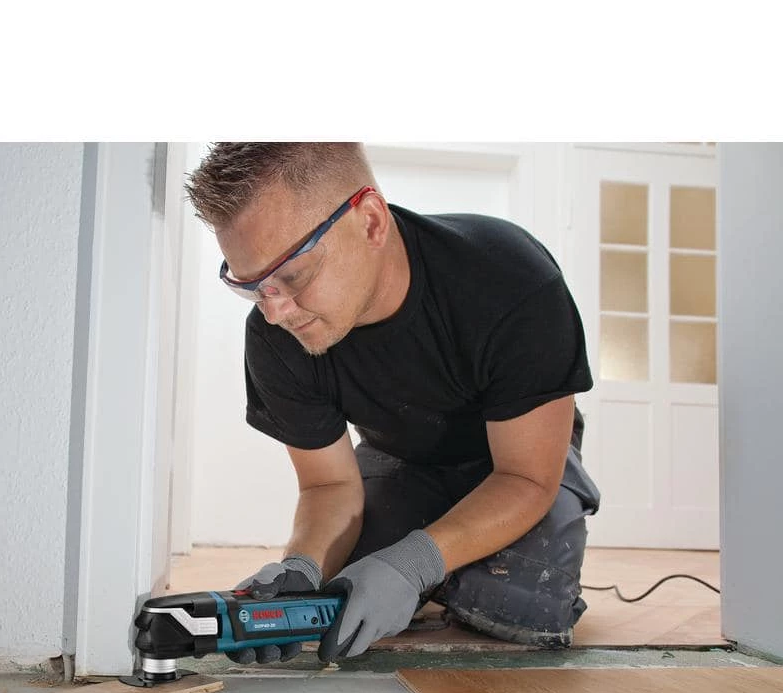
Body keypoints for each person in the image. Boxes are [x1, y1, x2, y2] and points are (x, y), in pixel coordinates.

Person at [183, 143, 600, 665]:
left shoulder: (508, 278)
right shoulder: (276, 336)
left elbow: (526, 477)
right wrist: (302, 569)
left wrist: (415, 564)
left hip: (520, 459)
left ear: (371, 221)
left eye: (293, 276)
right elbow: (329, 485)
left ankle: (453, 572)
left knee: (522, 604)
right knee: (335, 593)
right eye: (252, 287)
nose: (275, 312)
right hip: (400, 456)